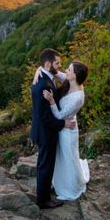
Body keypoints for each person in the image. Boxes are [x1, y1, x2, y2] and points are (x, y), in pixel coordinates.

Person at [31, 48, 75, 208]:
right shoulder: (43, 84)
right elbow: (45, 117)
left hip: (43, 130)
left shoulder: (44, 75)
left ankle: (43, 190)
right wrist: (63, 124)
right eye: (57, 63)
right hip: (45, 132)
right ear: (48, 63)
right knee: (46, 164)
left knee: (44, 163)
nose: (59, 66)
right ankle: (43, 200)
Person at [40, 61, 90, 201]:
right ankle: (61, 181)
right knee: (61, 157)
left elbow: (60, 116)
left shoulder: (78, 97)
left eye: (69, 70)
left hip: (68, 131)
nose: (65, 71)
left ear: (74, 75)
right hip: (64, 126)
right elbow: (57, 73)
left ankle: (72, 187)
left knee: (68, 158)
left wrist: (51, 101)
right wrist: (40, 70)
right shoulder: (70, 81)